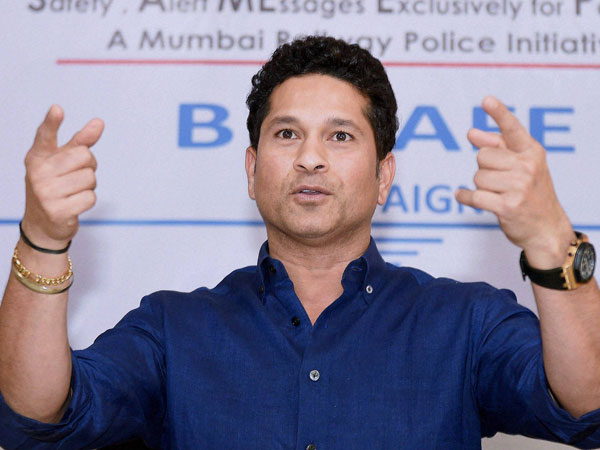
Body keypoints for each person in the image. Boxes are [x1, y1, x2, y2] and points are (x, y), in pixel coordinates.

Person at [0, 35, 599, 449]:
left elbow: (588, 405)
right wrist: (43, 240)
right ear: (252, 168)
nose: (310, 158)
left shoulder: (466, 322)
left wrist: (553, 243)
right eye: (287, 133)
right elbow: (35, 417)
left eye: (340, 136)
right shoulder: (171, 329)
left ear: (384, 175)